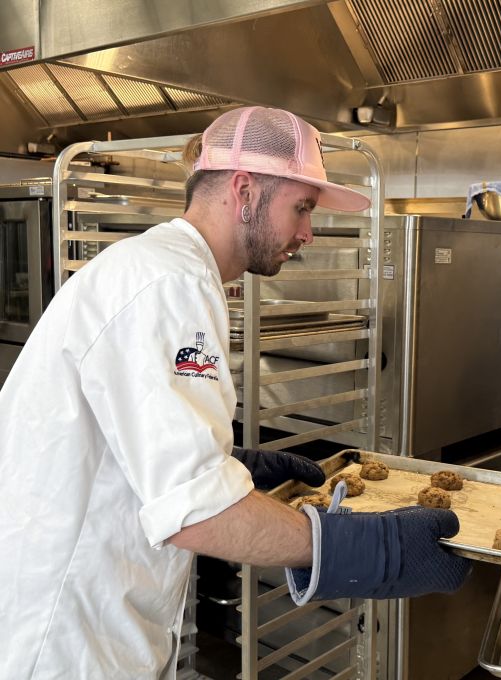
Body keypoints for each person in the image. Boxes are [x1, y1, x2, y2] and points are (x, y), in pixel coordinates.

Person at [0, 106, 470, 679]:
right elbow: (195, 515)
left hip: (90, 619)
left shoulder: (163, 270)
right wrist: (367, 551)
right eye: (302, 207)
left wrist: (228, 462)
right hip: (66, 640)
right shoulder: (170, 284)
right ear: (244, 190)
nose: (308, 232)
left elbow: (132, 435)